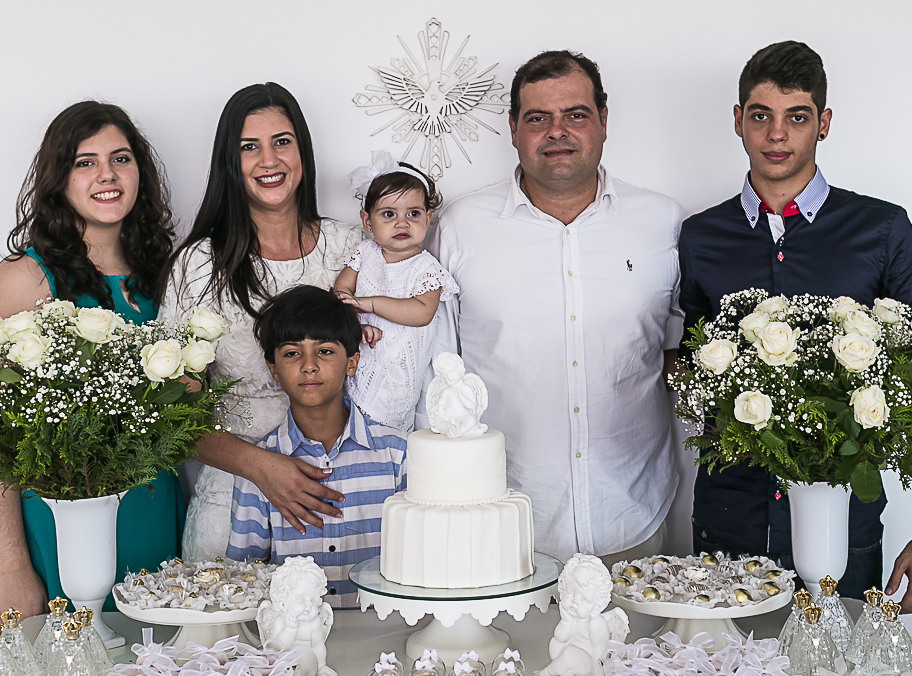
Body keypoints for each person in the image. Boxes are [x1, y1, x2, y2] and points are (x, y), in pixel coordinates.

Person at [677, 41, 912, 612]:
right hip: (730, 519)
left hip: (842, 519)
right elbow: (691, 366)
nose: (777, 135)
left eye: (796, 117)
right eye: (761, 116)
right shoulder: (701, 236)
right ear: (738, 122)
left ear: (822, 124)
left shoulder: (881, 230)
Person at [0, 101, 181, 665]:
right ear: (59, 179)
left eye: (121, 159)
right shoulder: (23, 279)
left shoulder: (164, 272)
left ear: (140, 175)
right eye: (86, 162)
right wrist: (13, 568)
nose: (107, 175)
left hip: (149, 516)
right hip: (47, 530)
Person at [428, 51, 685, 563]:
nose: (557, 132)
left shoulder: (664, 224)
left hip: (633, 519)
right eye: (538, 118)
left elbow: (683, 356)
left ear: (604, 122)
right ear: (513, 129)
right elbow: (435, 373)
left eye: (576, 114)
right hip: (500, 525)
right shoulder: (461, 228)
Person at [158, 83, 365, 559]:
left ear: (302, 151)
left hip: (348, 497)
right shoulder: (199, 267)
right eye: (249, 147)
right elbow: (172, 415)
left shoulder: (352, 250)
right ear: (230, 161)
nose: (268, 160)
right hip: (233, 502)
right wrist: (262, 466)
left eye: (282, 142)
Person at [226, 286, 407, 608]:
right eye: (292, 353)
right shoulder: (258, 467)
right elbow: (244, 579)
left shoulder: (398, 455)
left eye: (324, 351)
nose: (309, 365)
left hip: (386, 637)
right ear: (273, 369)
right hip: (293, 647)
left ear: (352, 362)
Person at [334, 152, 458, 432]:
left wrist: (370, 304)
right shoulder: (364, 254)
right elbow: (341, 291)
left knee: (388, 434)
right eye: (389, 214)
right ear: (367, 221)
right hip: (360, 358)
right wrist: (356, 322)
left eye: (413, 214)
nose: (402, 223)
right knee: (348, 422)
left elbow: (422, 311)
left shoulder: (426, 268)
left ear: (427, 218)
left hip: (398, 377)